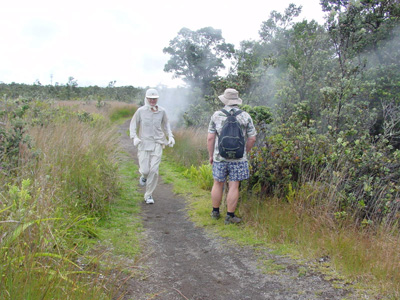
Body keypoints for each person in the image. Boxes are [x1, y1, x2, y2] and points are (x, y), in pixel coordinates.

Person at [207, 88, 257, 224]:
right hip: (239, 158)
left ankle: (215, 212)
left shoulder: (216, 115)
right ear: (236, 101)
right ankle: (229, 216)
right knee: (234, 185)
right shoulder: (245, 116)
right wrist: (245, 152)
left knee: (217, 183)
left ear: (225, 100)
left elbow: (210, 138)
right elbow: (252, 138)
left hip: (219, 157)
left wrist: (211, 155)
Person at [130, 88, 175, 204]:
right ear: (146, 98)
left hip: (158, 143)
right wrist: (134, 137)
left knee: (154, 170)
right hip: (144, 143)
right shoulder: (140, 111)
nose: (152, 101)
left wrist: (170, 136)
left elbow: (166, 125)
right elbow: (133, 125)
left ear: (157, 99)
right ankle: (144, 176)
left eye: (154, 99)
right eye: (150, 98)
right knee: (145, 170)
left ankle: (148, 194)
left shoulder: (162, 111)